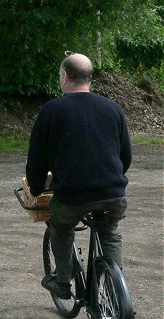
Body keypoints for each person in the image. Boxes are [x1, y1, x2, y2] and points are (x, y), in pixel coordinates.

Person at [26, 53, 132, 300]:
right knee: (110, 230)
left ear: (65, 77)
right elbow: (125, 156)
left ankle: (63, 282)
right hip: (112, 195)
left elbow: (37, 159)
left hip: (72, 197)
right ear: (89, 78)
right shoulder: (112, 109)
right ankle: (116, 287)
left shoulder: (52, 111)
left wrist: (36, 187)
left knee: (60, 226)